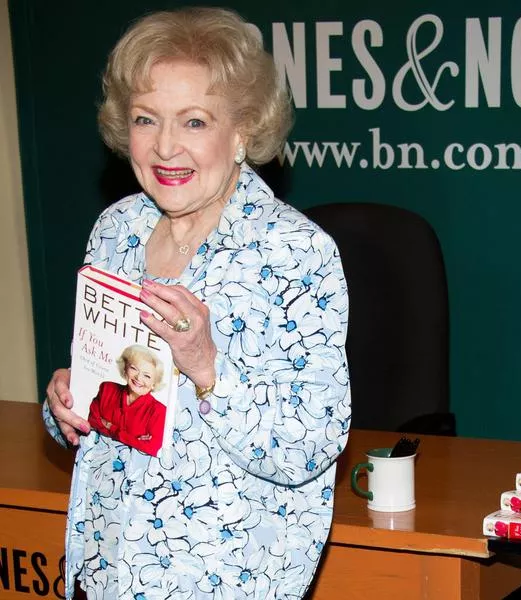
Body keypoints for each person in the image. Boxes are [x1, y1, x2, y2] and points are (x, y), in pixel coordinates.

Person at [42, 8, 351, 600]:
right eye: (145, 118)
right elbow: (116, 389)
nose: (165, 146)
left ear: (242, 132)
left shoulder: (296, 253)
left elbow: (311, 447)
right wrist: (70, 401)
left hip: (222, 578)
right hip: (106, 566)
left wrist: (207, 366)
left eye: (194, 122)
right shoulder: (116, 229)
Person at [88, 344, 167, 456]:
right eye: (134, 368)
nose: (139, 378)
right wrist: (134, 439)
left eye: (147, 376)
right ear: (125, 369)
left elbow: (152, 449)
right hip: (96, 457)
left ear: (154, 384)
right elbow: (91, 423)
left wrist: (111, 427)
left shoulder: (159, 411)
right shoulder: (107, 389)